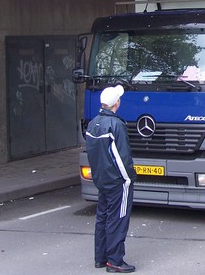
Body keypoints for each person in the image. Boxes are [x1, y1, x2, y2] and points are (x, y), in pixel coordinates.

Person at [85, 85, 137, 273]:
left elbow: (93, 154)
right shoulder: (116, 125)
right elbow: (121, 157)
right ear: (116, 103)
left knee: (103, 217)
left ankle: (101, 258)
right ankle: (115, 261)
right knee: (119, 218)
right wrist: (129, 178)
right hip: (118, 181)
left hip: (102, 179)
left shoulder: (94, 123)